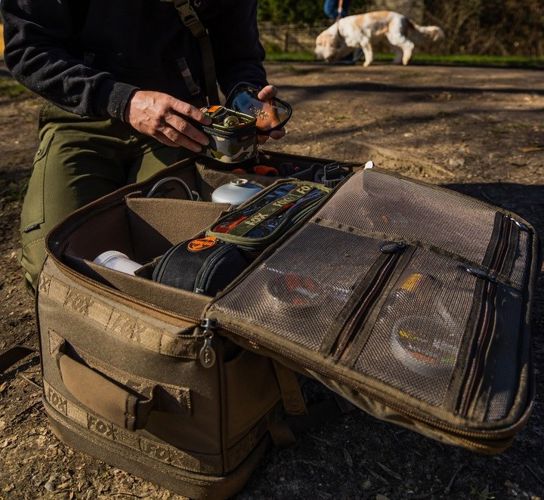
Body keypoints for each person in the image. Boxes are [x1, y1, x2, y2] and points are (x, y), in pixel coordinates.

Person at [0, 0, 285, 292]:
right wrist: (123, 101)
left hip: (181, 121)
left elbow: (238, 54)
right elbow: (29, 50)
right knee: (51, 263)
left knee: (187, 265)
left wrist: (248, 98)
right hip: (81, 117)